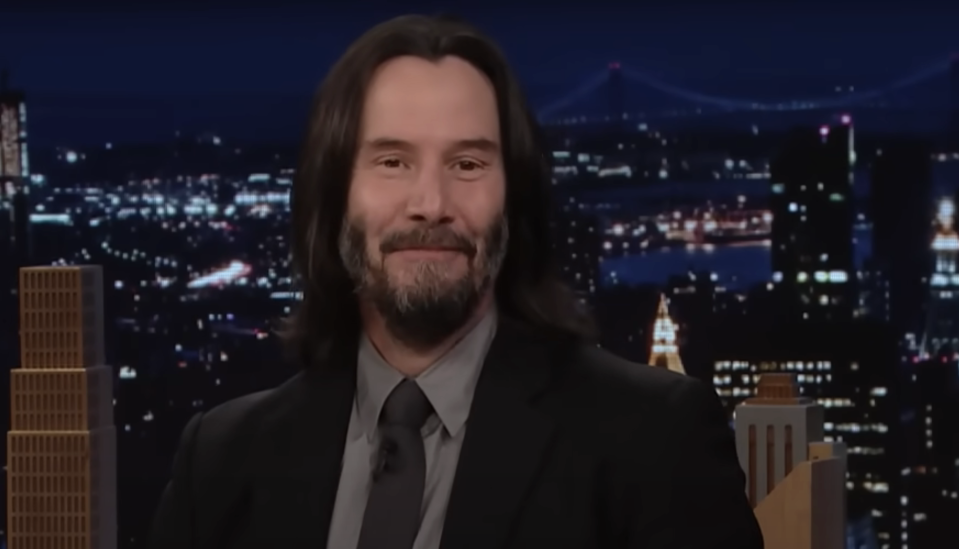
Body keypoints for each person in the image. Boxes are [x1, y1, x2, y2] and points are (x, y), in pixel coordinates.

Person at [148, 14, 764, 549]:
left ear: (512, 199)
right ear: (334, 195)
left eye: (467, 164)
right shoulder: (222, 460)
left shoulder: (654, 441)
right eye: (392, 162)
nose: (430, 202)